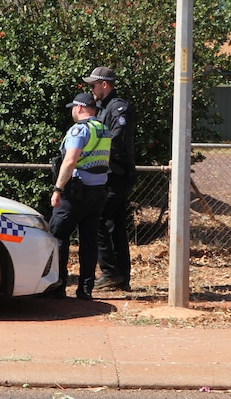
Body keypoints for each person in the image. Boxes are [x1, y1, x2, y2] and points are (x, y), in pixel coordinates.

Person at [46, 92, 111, 300]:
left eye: (73, 108)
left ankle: (57, 286)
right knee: (89, 241)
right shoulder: (103, 129)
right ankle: (85, 289)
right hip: (98, 192)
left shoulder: (79, 130)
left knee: (57, 235)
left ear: (80, 108)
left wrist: (57, 189)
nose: (73, 111)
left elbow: (70, 160)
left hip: (75, 193)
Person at [83, 66, 136, 291]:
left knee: (98, 220)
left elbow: (117, 141)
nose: (91, 90)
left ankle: (110, 272)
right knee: (115, 225)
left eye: (93, 85)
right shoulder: (105, 108)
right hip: (110, 174)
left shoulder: (118, 109)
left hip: (117, 174)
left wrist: (90, 151)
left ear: (104, 84)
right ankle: (121, 276)